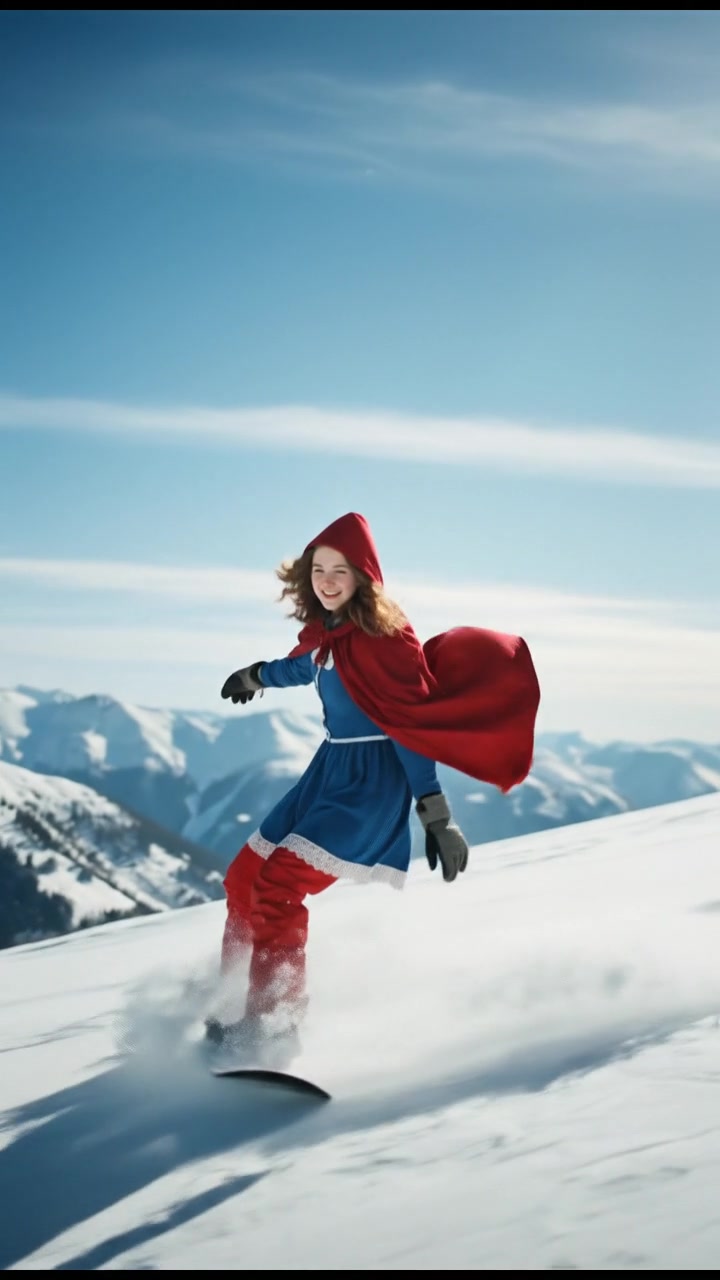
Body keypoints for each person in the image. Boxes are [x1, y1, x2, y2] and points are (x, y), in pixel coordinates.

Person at [205, 512, 540, 1062]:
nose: (328, 581)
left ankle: (273, 1027)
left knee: (279, 886)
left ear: (365, 576)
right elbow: (302, 668)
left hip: (372, 784)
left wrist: (434, 814)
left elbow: (410, 727)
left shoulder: (388, 641)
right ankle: (229, 1005)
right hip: (327, 773)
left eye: (341, 570)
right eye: (319, 569)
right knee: (244, 878)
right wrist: (256, 675)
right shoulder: (326, 635)